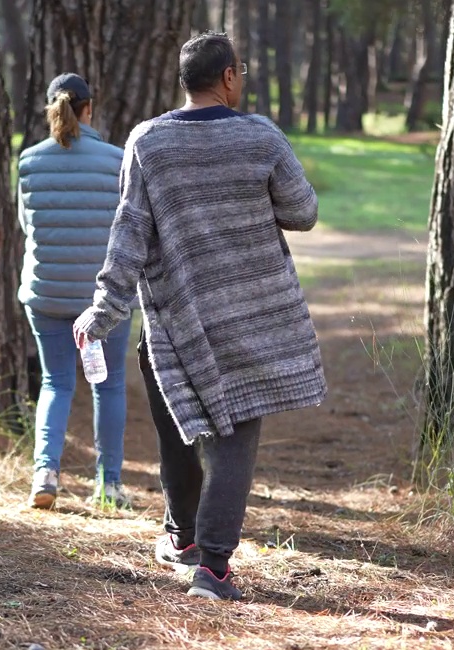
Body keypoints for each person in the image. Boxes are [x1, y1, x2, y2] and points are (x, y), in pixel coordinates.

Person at [73, 33, 324, 600]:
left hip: (174, 325)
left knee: (179, 431)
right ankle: (212, 567)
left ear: (185, 81)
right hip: (251, 321)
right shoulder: (261, 137)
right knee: (233, 438)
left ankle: (183, 537)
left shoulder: (147, 142)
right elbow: (303, 212)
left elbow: (129, 234)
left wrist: (104, 309)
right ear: (229, 77)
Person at [17, 72, 134, 511]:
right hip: (103, 301)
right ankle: (109, 484)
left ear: (52, 110)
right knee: (108, 386)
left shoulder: (29, 161)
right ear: (89, 109)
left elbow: (26, 226)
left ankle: (45, 474)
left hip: (46, 295)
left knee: (55, 383)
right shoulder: (116, 160)